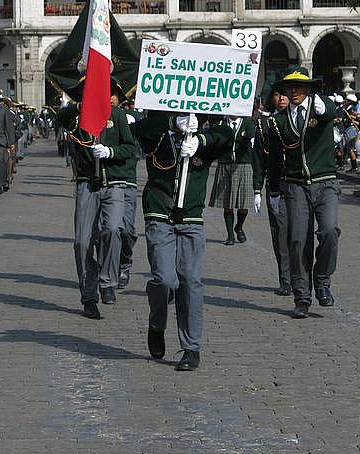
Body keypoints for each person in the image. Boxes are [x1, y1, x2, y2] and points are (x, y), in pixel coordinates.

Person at [133, 111, 232, 371]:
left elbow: (227, 138)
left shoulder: (204, 130)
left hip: (191, 215)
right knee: (165, 279)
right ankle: (157, 323)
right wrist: (171, 123)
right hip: (159, 209)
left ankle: (191, 347)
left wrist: (202, 141)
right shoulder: (158, 125)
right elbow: (141, 130)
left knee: (190, 280)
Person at [267, 69, 340, 319]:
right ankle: (302, 296)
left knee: (329, 231)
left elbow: (330, 112)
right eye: (291, 87)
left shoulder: (320, 108)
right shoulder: (278, 121)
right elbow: (276, 158)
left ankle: (322, 280)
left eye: (300, 87)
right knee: (298, 240)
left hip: (325, 181)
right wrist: (273, 191)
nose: (294, 91)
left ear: (309, 89)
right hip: (295, 184)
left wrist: (317, 98)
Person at [58, 96, 136, 317]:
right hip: (87, 183)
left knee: (112, 230)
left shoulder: (118, 115)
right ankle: (89, 295)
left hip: (114, 183)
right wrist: (81, 106)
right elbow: (61, 117)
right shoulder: (78, 116)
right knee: (82, 242)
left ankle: (108, 282)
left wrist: (110, 152)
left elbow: (130, 148)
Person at [208, 113, 263, 245]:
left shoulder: (247, 123)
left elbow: (252, 135)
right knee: (227, 203)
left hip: (243, 164)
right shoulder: (221, 123)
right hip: (225, 164)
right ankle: (230, 235)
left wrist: (251, 138)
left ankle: (238, 226)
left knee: (244, 204)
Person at [262, 89, 292, 296]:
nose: (281, 98)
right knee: (280, 234)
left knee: (298, 235)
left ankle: (300, 278)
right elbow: (262, 157)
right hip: (277, 183)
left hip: (299, 183)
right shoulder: (265, 124)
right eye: (276, 94)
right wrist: (260, 188)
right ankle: (286, 279)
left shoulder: (302, 120)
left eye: (285, 94)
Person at [112, 91, 140, 290]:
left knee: (127, 230)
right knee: (108, 230)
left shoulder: (134, 118)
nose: (110, 98)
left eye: (113, 94)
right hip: (109, 181)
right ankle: (110, 268)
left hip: (128, 180)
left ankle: (124, 261)